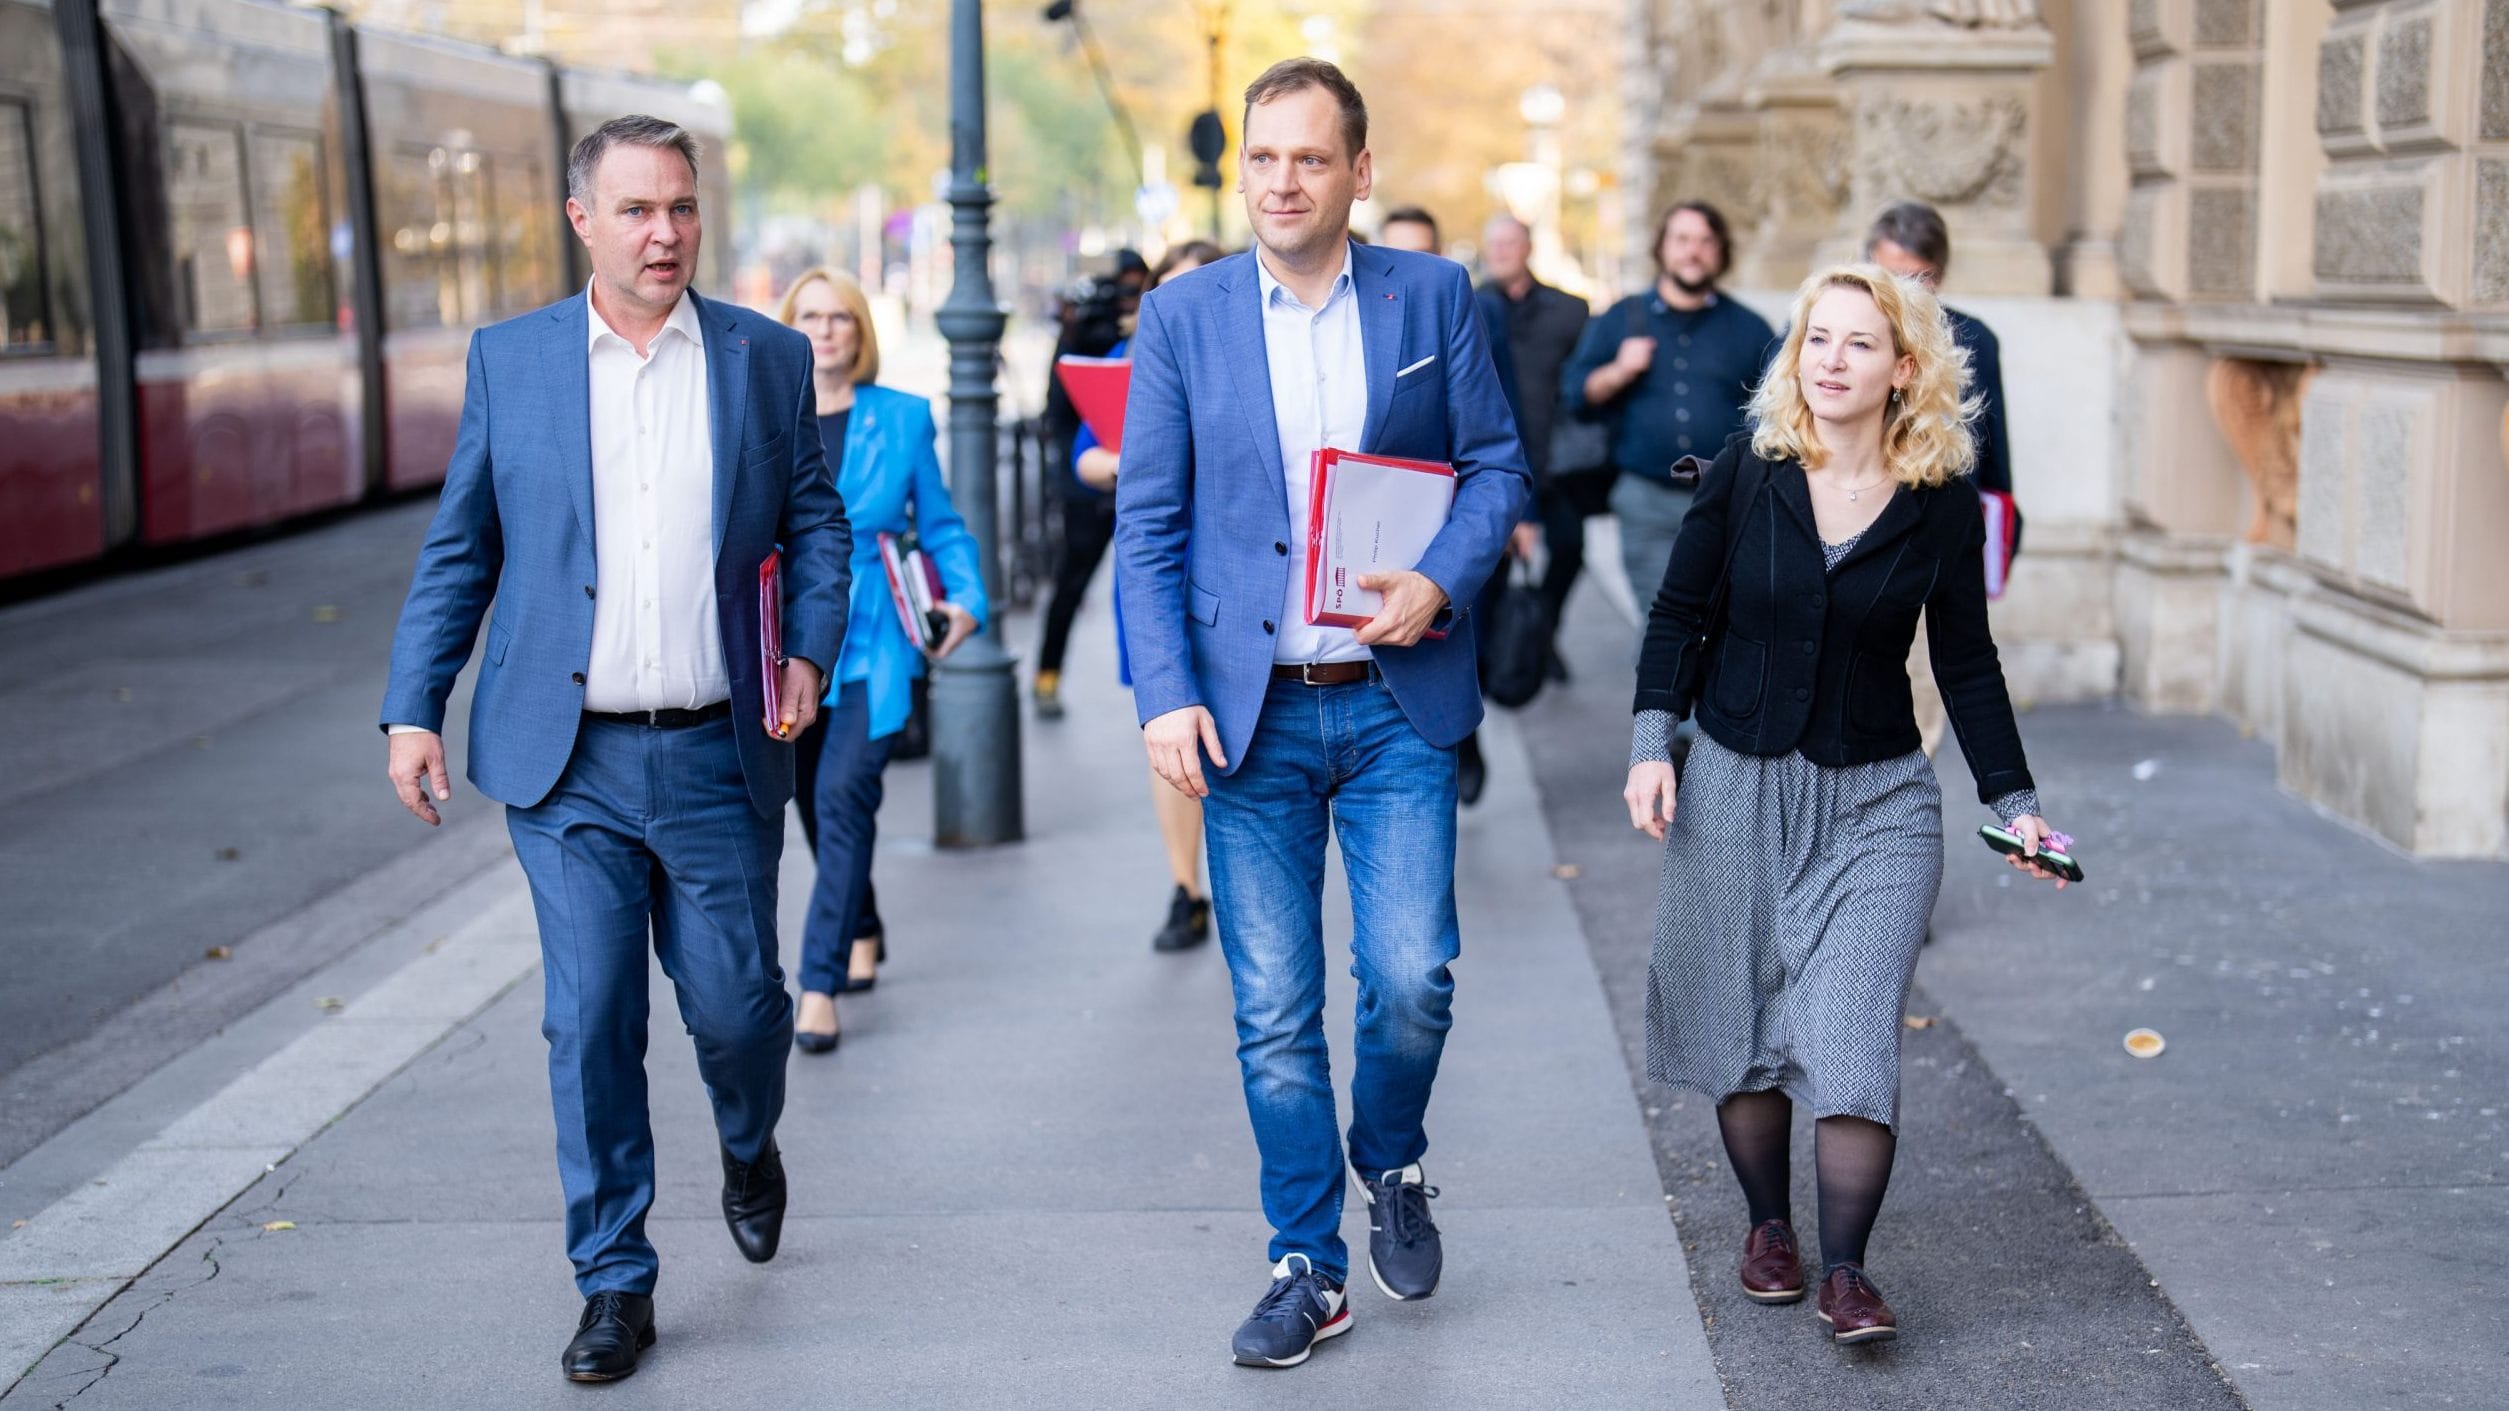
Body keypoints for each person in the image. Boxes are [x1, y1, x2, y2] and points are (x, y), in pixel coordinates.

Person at [379, 115, 849, 1382]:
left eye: (681, 207)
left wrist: (807, 649)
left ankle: (747, 1143)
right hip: (566, 762)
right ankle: (614, 1279)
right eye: (637, 209)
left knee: (739, 1011)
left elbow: (815, 521)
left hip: (717, 753)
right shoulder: (513, 360)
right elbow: (462, 547)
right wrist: (415, 706)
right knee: (589, 1020)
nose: (664, 233)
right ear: (581, 219)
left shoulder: (761, 356)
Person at [1113, 58, 1530, 1369]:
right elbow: (1147, 523)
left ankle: (1390, 1156)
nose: (1281, 181)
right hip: (1250, 717)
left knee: (1410, 976)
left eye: (1308, 157)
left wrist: (1439, 576)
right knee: (1275, 1010)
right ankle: (1305, 1261)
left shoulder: (1431, 294)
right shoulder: (1182, 316)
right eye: (1262, 157)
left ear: (1358, 171)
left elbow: (1495, 466)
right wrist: (1164, 695)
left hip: (1397, 699)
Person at [1619, 263, 2071, 1348]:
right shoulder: (1748, 468)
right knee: (1742, 1023)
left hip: (1878, 802)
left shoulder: (1940, 501)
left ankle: (1848, 1270)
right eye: (1816, 338)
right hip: (1735, 784)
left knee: (1853, 1032)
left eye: (1858, 342)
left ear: (1903, 368)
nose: (1829, 359)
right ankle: (1768, 1226)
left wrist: (2014, 800)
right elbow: (1678, 615)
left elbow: (1966, 663)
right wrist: (1649, 745)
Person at [776, 267, 983, 1052]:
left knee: (842, 796)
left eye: (840, 317)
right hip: (788, 640)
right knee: (810, 802)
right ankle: (860, 924)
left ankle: (817, 983)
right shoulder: (764, 417)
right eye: (810, 317)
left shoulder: (901, 417)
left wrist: (966, 598)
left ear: (861, 332)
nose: (825, 330)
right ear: (789, 328)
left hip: (876, 635)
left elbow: (942, 523)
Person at [1071, 239, 1225, 952]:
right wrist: (1142, 464)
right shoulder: (1122, 363)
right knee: (1167, 723)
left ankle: (1239, 875)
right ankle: (1185, 886)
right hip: (1157, 566)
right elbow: (1084, 458)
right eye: (1171, 288)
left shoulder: (1253, 360)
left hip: (1234, 565)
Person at [1375, 205, 1534, 805]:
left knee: (1470, 633)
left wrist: (1522, 515)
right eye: (1395, 250)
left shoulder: (1471, 306)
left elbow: (1504, 416)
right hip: (1381, 518)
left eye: (1421, 251)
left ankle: (1463, 732)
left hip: (1460, 516)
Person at [1559, 201, 1773, 616]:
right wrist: (1619, 370)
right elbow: (1575, 394)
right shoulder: (1622, 317)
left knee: (1722, 622)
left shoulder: (1749, 327)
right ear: (1661, 247)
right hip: (1645, 501)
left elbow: (1776, 410)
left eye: (1706, 241)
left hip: (1727, 501)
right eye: (1682, 239)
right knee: (1661, 621)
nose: (1693, 251)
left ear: (1721, 252)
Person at [1861, 200, 2015, 758]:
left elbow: (1991, 450)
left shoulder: (1972, 338)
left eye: (1918, 277)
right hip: (1848, 527)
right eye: (1889, 274)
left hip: (1933, 538)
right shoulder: (1826, 332)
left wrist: (1998, 544)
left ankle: (1903, 785)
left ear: (1940, 276)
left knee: (1924, 684)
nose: (1903, 290)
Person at [1033, 249, 1150, 720]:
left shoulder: (1144, 335)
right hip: (1087, 486)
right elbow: (1056, 411)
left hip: (1137, 484)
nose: (1128, 297)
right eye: (1124, 287)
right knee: (1071, 582)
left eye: (1137, 287)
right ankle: (1046, 676)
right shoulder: (1083, 331)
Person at [1478, 214, 1593, 676]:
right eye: (1494, 243)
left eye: (1511, 243)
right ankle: (1501, 652)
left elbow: (1585, 379)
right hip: (1496, 458)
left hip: (1554, 461)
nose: (1502, 251)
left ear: (1528, 249)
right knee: (1493, 565)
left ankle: (1540, 632)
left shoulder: (1570, 311)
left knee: (1569, 549)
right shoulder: (1468, 304)